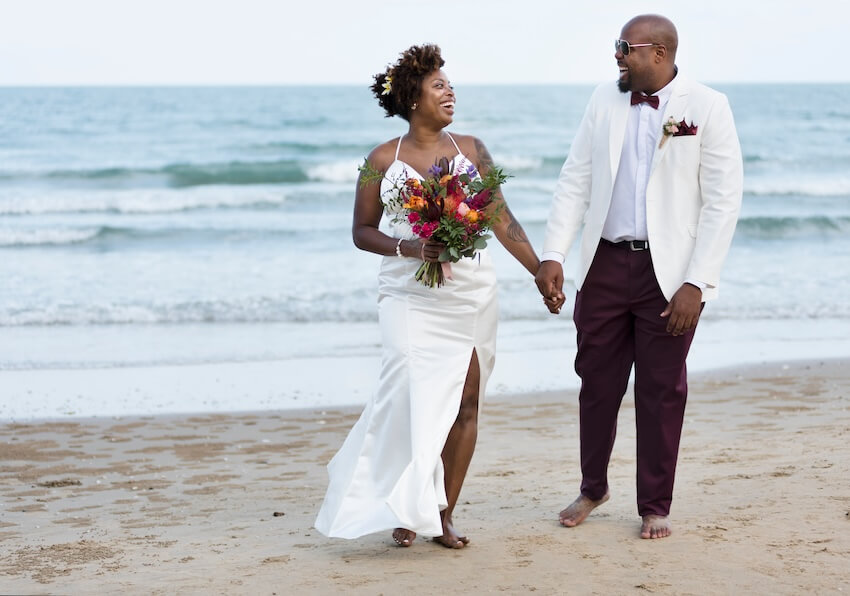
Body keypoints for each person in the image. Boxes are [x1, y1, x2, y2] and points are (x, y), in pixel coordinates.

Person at [314, 44, 541, 549]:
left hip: (470, 290)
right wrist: (410, 246)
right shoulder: (379, 160)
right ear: (413, 98)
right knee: (406, 395)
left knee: (465, 400)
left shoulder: (473, 150)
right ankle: (401, 500)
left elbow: (501, 218)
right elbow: (361, 231)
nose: (450, 91)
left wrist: (539, 269)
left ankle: (440, 514)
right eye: (439, 85)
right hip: (408, 294)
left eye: (450, 84)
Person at [535, 14, 743, 539]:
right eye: (617, 46)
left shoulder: (709, 106)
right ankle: (593, 487)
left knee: (660, 390)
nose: (617, 56)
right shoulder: (603, 98)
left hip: (669, 275)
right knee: (596, 383)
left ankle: (655, 504)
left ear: (660, 53)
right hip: (603, 264)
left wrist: (699, 282)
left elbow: (723, 202)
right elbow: (574, 179)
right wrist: (554, 253)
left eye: (625, 47)